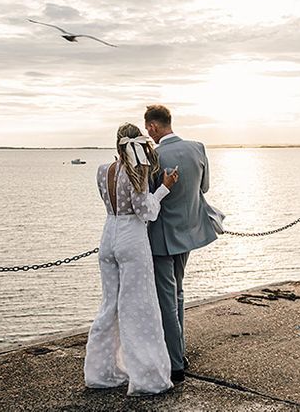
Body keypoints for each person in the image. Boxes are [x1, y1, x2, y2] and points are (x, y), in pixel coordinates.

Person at [84, 123, 179, 396]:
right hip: (131, 240)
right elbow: (144, 211)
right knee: (139, 308)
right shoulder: (137, 169)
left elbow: (109, 202)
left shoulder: (104, 170)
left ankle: (100, 373)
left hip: (108, 238)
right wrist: (163, 188)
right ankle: (148, 378)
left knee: (109, 306)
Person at [144, 104, 217, 383]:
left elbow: (150, 199)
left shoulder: (154, 155)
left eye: (148, 130)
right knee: (178, 293)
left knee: (166, 299)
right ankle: (180, 351)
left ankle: (175, 364)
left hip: (162, 235)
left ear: (152, 127)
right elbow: (204, 188)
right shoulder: (197, 147)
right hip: (189, 231)